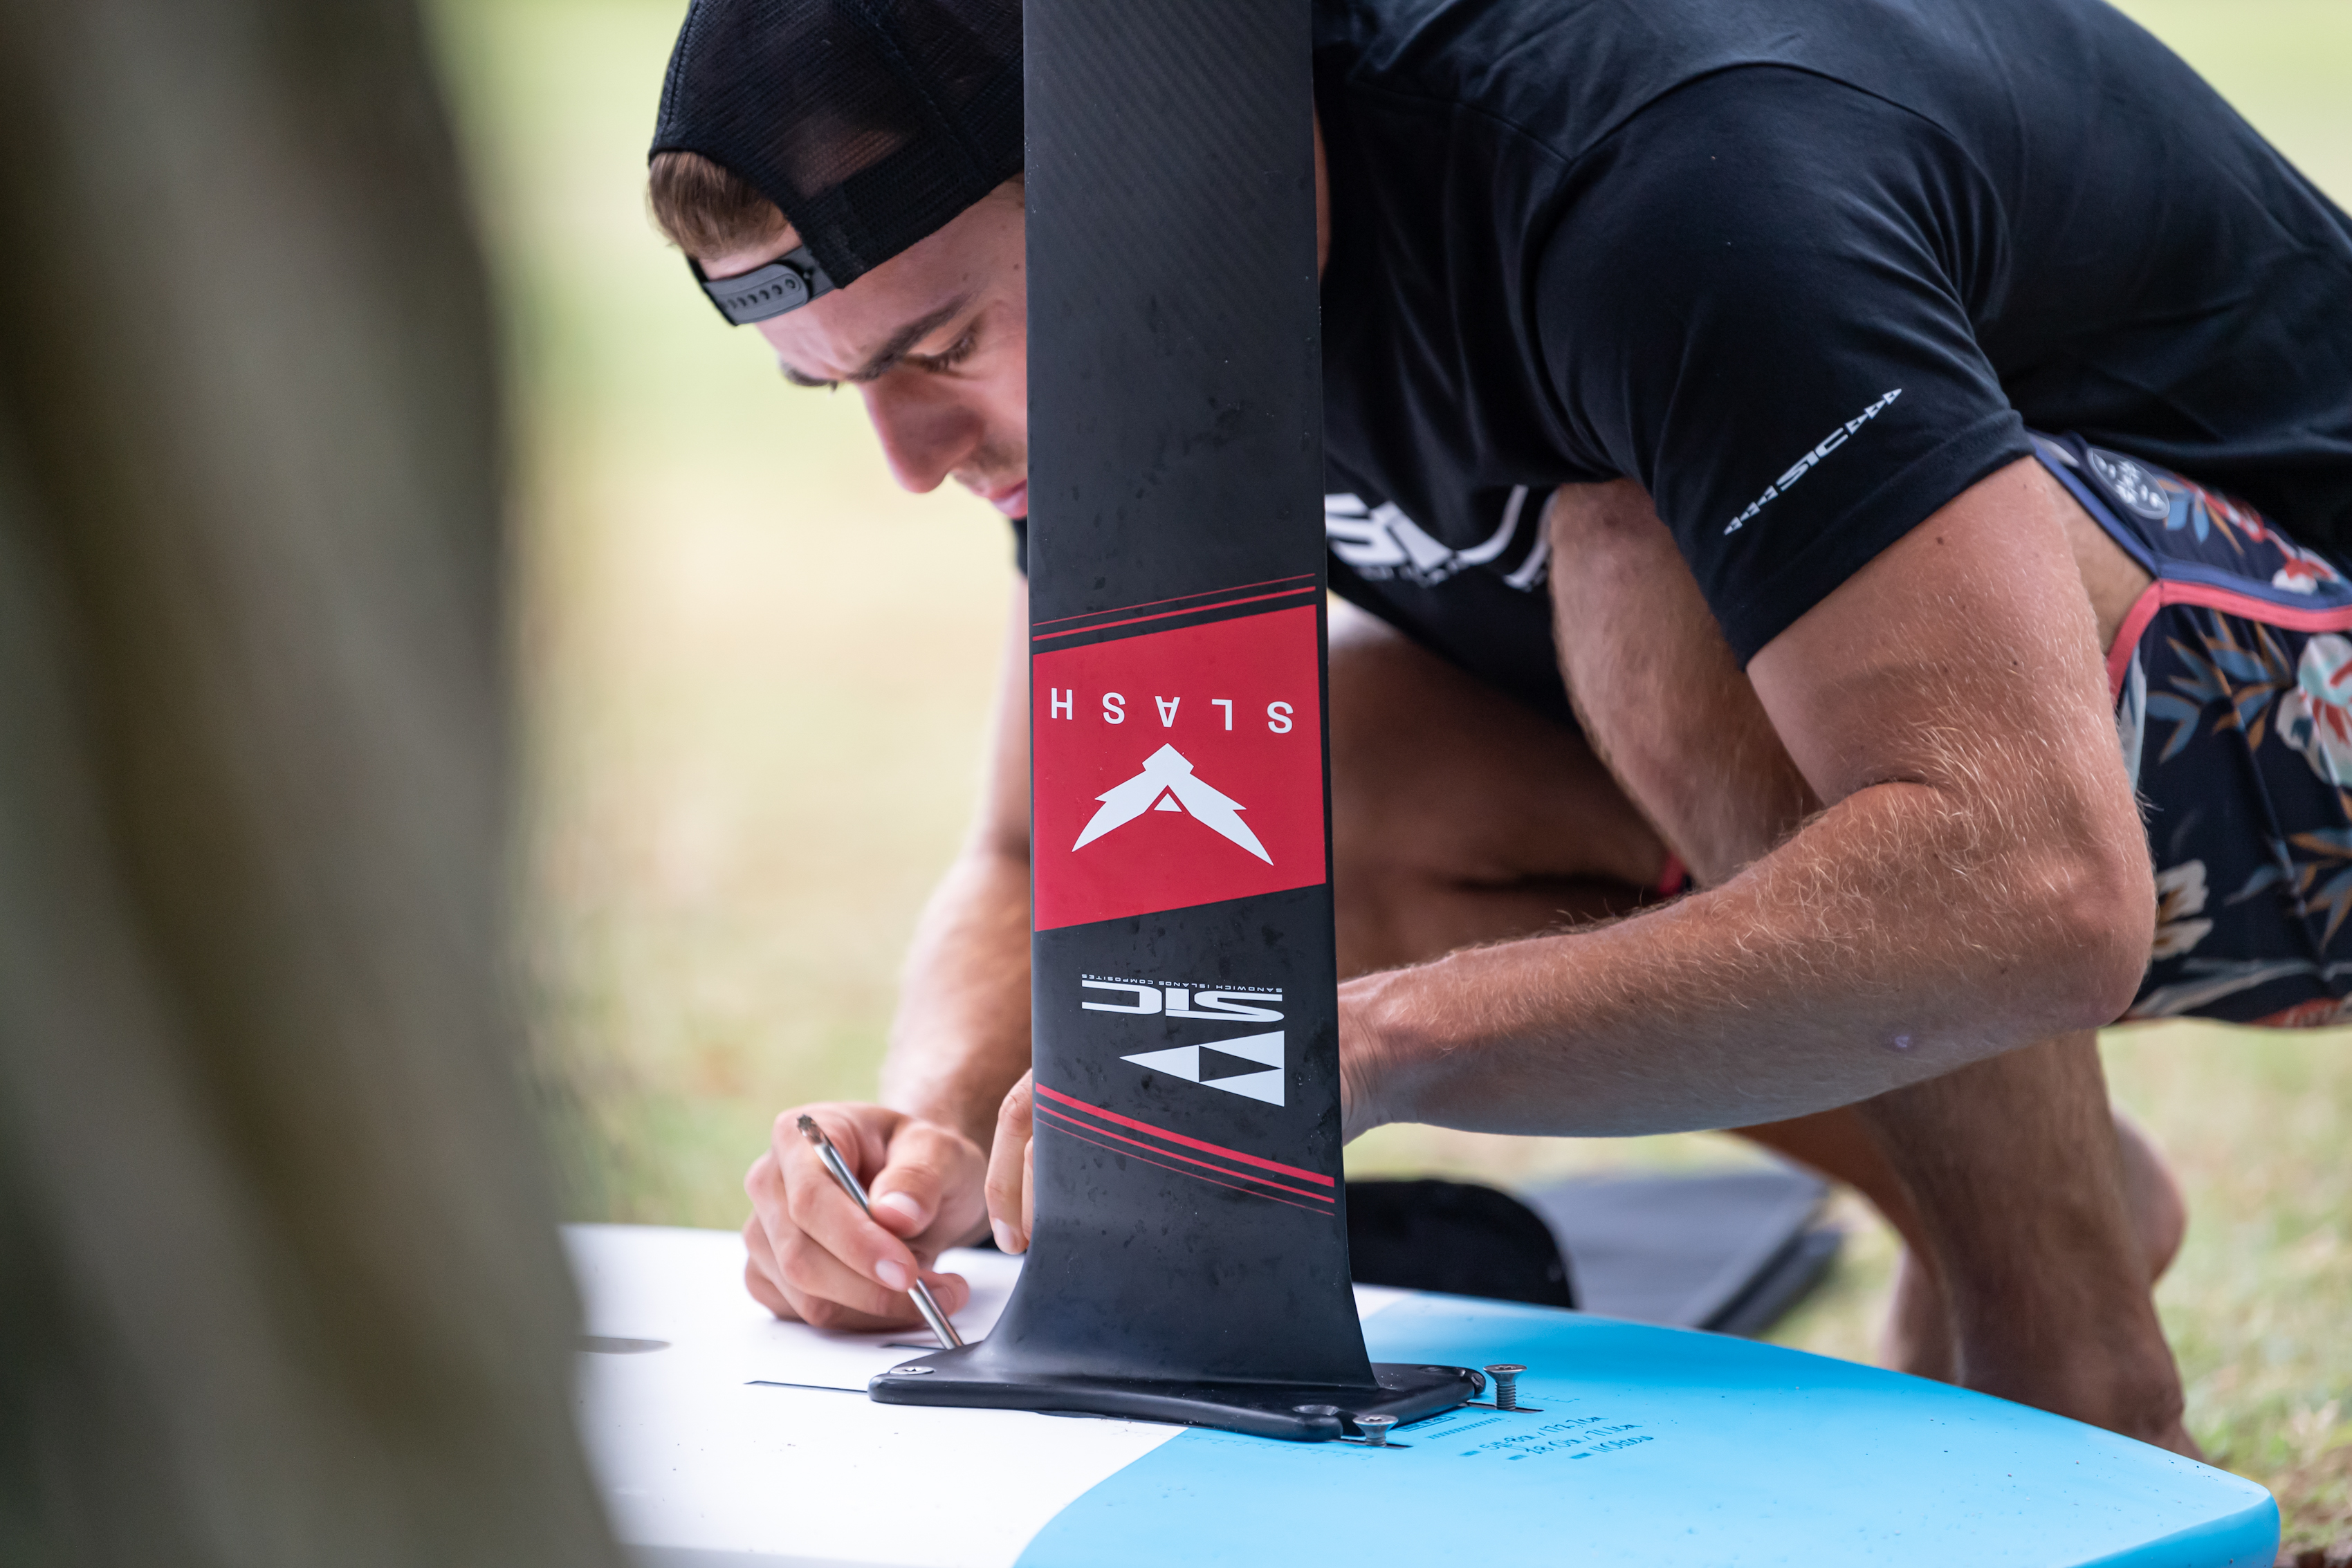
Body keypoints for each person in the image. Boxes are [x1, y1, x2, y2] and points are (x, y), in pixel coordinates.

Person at [645, 0, 2352, 1457]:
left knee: (1651, 554)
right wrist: (918, 1137)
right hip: (2041, 759)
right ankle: (2035, 1192)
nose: (910, 459)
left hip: (2272, 732)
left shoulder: (1651, 171)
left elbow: (2033, 886)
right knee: (1301, 789)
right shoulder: (1131, 327)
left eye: (939, 348)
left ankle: (2063, 1370)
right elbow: (1046, 846)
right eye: (841, 384)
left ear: (1175, 170)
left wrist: (1361, 1047)